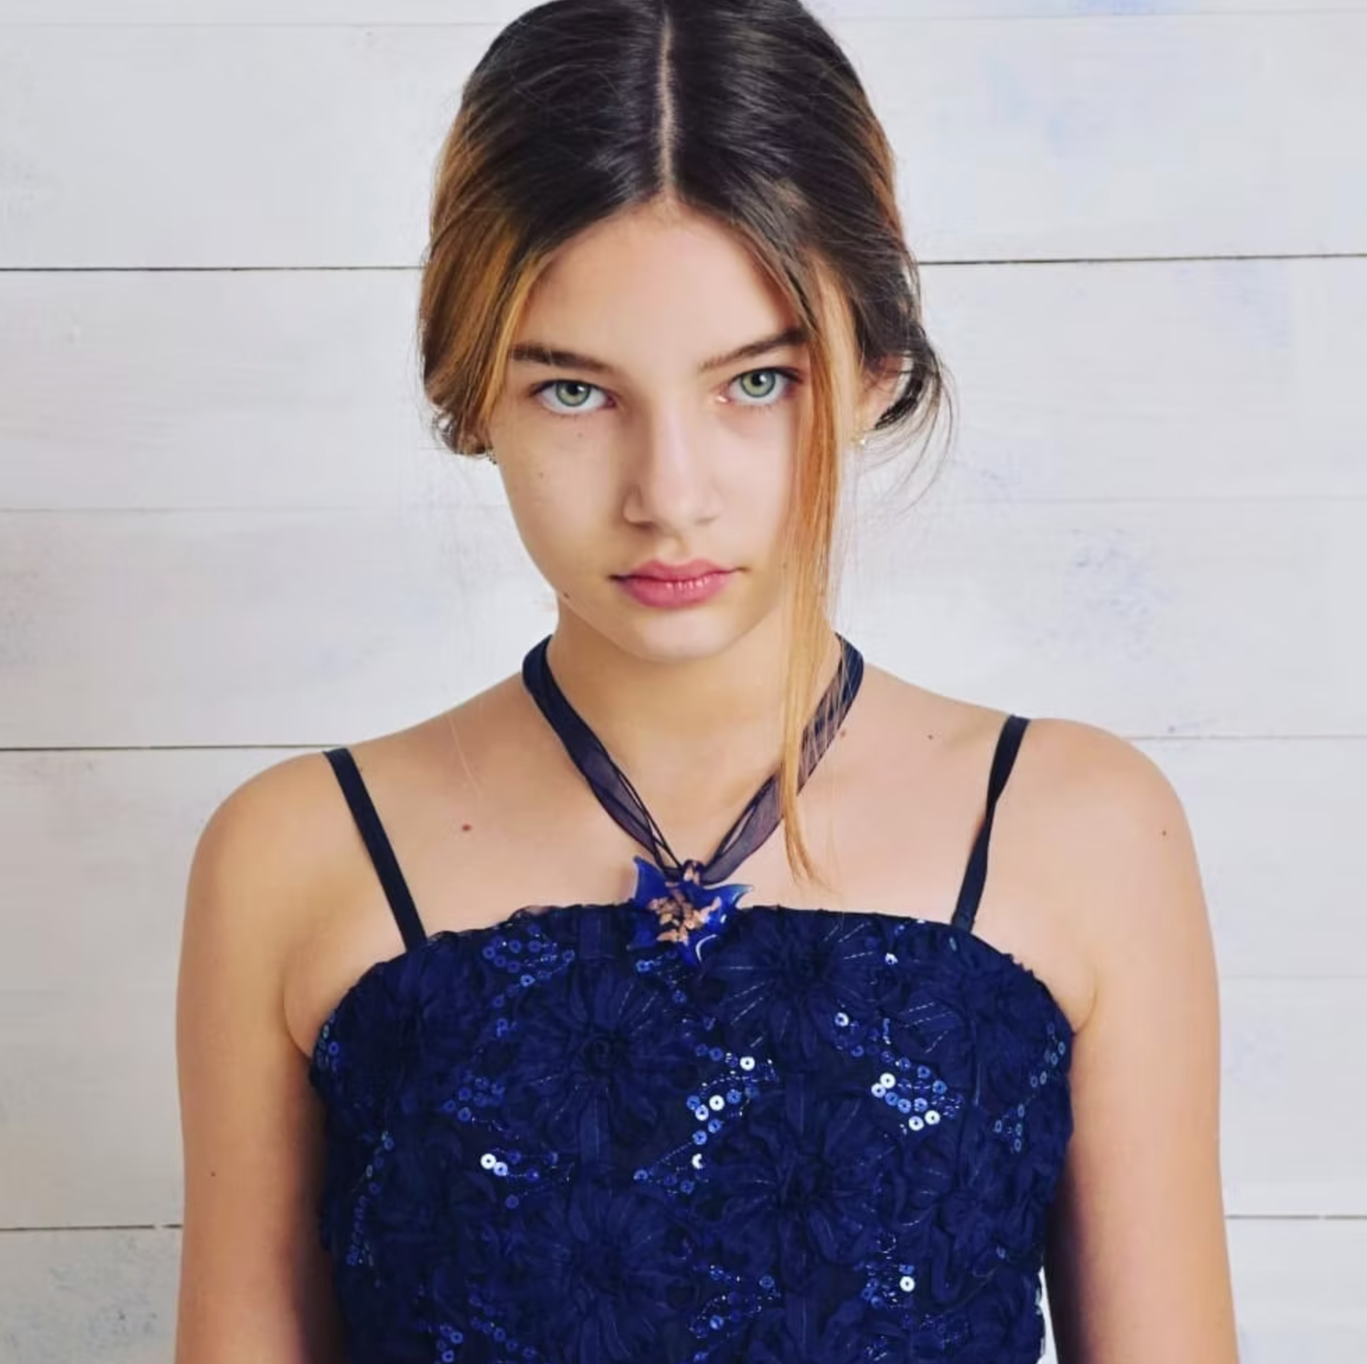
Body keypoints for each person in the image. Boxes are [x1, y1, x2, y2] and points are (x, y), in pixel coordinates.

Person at [173, 1, 1240, 1360]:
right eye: (573, 391)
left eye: (754, 382)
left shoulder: (1078, 827)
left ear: (875, 368)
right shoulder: (297, 854)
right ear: (468, 392)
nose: (666, 495)